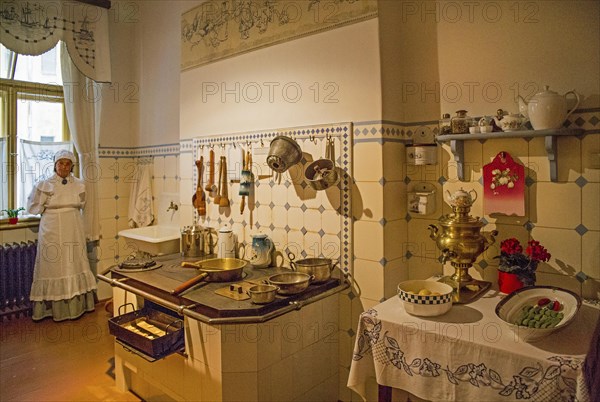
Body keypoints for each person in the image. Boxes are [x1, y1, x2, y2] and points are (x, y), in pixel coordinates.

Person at [27, 150, 97, 321]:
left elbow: (85, 206)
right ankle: (53, 309)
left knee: (74, 262)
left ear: (72, 166)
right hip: (51, 228)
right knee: (53, 264)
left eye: (67, 163)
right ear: (55, 164)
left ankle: (77, 305)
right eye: (61, 163)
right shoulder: (44, 184)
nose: (64, 167)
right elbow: (33, 207)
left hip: (74, 226)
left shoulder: (80, 184)